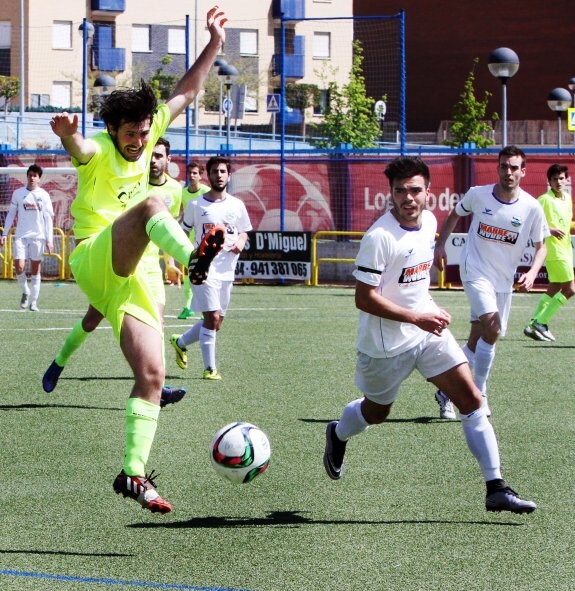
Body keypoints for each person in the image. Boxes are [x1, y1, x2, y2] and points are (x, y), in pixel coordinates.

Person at [48, 6, 227, 514]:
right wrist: (66, 135)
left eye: (145, 130)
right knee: (151, 205)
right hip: (92, 258)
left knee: (151, 375)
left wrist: (214, 41)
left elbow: (188, 91)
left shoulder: (150, 135)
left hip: (131, 278)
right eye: (130, 132)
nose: (140, 139)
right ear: (113, 129)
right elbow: (81, 149)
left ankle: (132, 474)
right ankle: (194, 260)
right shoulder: (100, 148)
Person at [323, 156, 537, 515]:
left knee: (472, 399)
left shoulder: (431, 222)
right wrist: (415, 316)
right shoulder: (379, 237)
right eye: (400, 191)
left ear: (427, 192)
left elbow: (416, 283)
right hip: (385, 346)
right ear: (390, 194)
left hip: (427, 334)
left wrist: (428, 312)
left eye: (415, 190)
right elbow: (364, 298)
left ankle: (496, 486)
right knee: (376, 413)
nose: (408, 198)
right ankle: (338, 433)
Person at [41, 138, 187, 408]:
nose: (154, 160)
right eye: (151, 155)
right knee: (91, 320)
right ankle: (59, 362)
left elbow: (170, 226)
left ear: (169, 160)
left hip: (150, 267)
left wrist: (170, 262)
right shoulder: (133, 174)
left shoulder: (175, 190)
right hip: (117, 259)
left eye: (160, 156)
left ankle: (157, 384)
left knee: (157, 324)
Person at [434, 146, 549, 418]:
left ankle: (446, 388)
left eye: (513, 167)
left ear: (523, 171)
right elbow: (454, 215)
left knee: (480, 338)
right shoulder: (478, 195)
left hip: (503, 280)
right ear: (497, 168)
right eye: (503, 166)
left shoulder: (532, 207)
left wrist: (532, 273)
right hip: (474, 271)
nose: (508, 172)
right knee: (494, 329)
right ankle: (479, 393)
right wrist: (440, 246)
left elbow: (541, 246)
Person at [170, 156, 252, 380]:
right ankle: (209, 369)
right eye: (215, 171)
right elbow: (181, 232)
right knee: (212, 318)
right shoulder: (196, 205)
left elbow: (244, 230)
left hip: (228, 270)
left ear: (229, 175)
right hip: (203, 270)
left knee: (216, 323)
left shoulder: (237, 205)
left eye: (223, 171)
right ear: (209, 174)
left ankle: (180, 342)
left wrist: (242, 241)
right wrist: (188, 256)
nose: (219, 175)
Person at [524, 163, 575, 341]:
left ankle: (532, 324)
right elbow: (530, 221)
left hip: (566, 249)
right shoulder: (544, 199)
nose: (558, 182)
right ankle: (542, 321)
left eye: (561, 178)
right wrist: (549, 229)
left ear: (567, 180)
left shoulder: (567, 198)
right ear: (549, 182)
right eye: (554, 179)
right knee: (570, 288)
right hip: (553, 250)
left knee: (555, 287)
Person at [1, 164, 54, 311]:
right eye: (30, 175)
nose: (32, 178)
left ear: (39, 178)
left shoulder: (44, 195)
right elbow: (11, 214)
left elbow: (48, 219)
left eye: (35, 175)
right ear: (27, 176)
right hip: (21, 236)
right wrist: (4, 234)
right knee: (19, 267)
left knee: (36, 269)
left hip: (38, 237)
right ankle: (25, 291)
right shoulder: (18, 193)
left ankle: (34, 302)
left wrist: (49, 240)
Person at [177, 160, 211, 319]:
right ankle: (187, 306)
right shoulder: (183, 193)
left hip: (205, 240)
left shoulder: (207, 192)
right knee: (188, 273)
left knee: (207, 274)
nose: (191, 176)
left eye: (195, 173)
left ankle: (207, 308)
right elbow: (182, 214)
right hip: (189, 241)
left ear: (201, 175)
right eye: (190, 173)